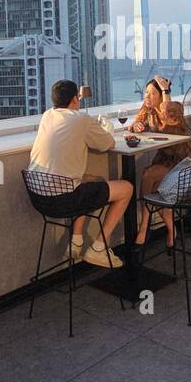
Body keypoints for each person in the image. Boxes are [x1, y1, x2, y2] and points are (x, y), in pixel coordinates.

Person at [23, 80, 135, 272]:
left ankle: (76, 240)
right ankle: (99, 248)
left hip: (37, 196)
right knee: (126, 188)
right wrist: (104, 129)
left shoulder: (47, 116)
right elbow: (108, 144)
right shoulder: (81, 119)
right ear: (75, 99)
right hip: (63, 200)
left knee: (91, 180)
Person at [134, 100, 191, 249]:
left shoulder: (172, 111)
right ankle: (171, 230)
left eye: (152, 93)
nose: (148, 96)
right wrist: (136, 124)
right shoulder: (153, 115)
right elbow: (134, 123)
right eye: (147, 93)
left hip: (182, 168)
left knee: (148, 175)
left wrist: (165, 91)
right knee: (155, 189)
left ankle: (144, 226)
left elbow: (170, 126)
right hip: (167, 164)